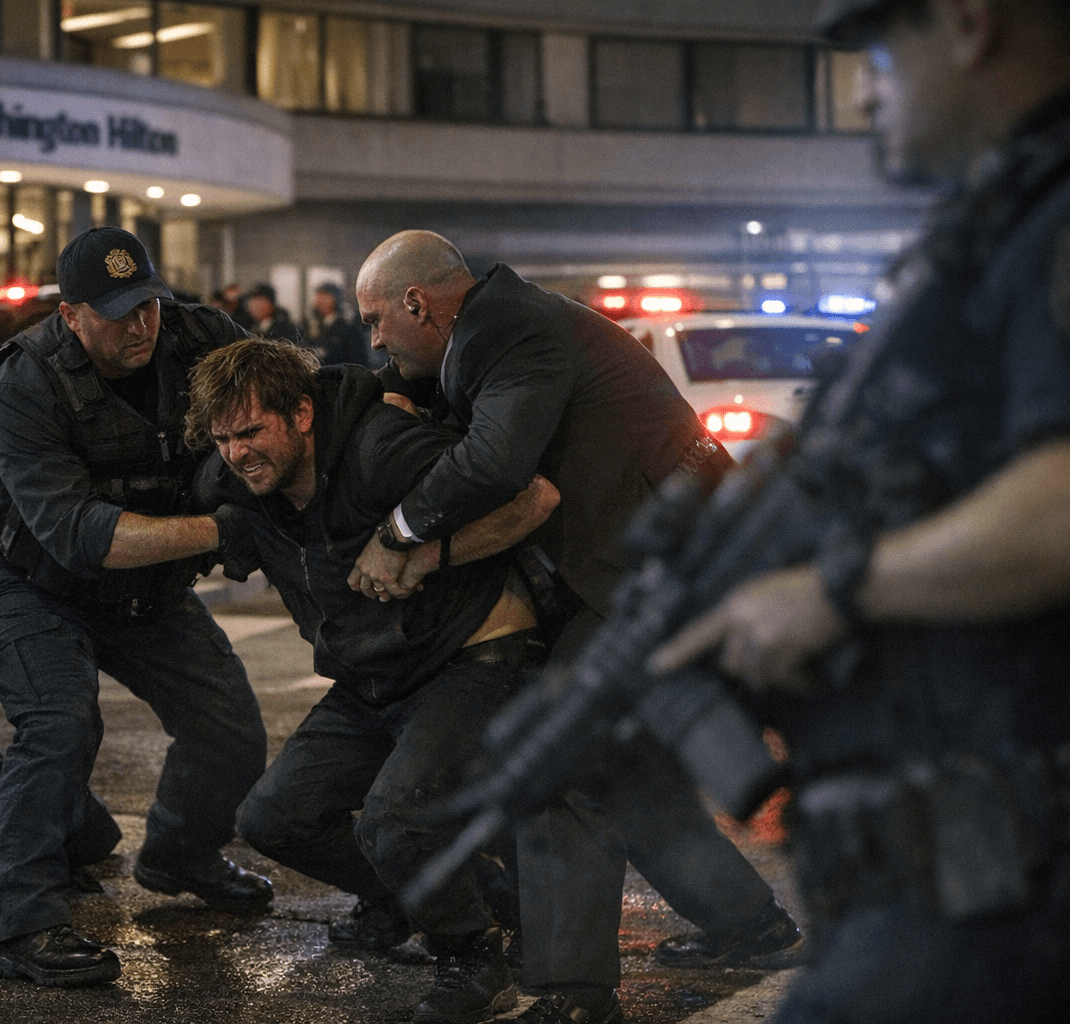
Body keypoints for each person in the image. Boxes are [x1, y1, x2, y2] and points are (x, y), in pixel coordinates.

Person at [649, 1, 1070, 1021]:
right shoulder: (997, 220)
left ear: (969, 23)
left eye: (881, 53)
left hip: (1008, 869)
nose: (866, 87)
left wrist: (837, 589)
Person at [350, 231, 799, 1023]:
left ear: (418, 302)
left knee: (560, 759)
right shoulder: (502, 327)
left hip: (667, 573)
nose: (376, 338)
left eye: (377, 319)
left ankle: (574, 994)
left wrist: (398, 532)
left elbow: (492, 459)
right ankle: (751, 927)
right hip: (653, 569)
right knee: (623, 775)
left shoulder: (511, 329)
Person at [186, 338, 560, 1024]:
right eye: (223, 438)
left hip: (465, 659)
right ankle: (442, 895)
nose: (237, 454)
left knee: (394, 819)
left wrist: (424, 555)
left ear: (301, 414)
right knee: (272, 820)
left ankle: (472, 959)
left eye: (250, 432)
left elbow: (533, 497)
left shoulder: (381, 449)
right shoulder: (233, 485)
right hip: (370, 679)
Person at [0, 226, 270, 988]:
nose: (141, 325)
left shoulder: (201, 338)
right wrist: (222, 531)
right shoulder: (20, 383)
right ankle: (26, 927)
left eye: (149, 306)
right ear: (71, 316)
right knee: (61, 724)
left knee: (228, 728)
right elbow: (75, 535)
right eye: (118, 312)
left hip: (145, 582)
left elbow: (287, 403)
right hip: (28, 582)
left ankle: (179, 854)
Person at [306, 282, 378, 368]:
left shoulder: (348, 325)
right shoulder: (313, 324)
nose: (319, 301)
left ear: (335, 299)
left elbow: (357, 357)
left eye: (324, 297)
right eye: (318, 297)